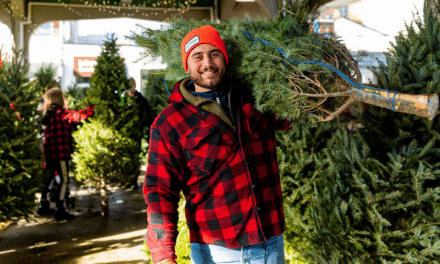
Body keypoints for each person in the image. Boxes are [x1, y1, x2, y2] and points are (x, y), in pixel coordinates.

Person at [143, 25, 292, 264]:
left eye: (214, 54)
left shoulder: (254, 100)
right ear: (187, 65)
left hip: (271, 244)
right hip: (218, 253)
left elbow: (296, 116)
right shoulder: (170, 123)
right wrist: (163, 256)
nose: (207, 63)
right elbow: (160, 192)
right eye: (198, 56)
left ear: (225, 58)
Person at [37, 87, 94, 220]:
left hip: (49, 154)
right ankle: (60, 208)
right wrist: (93, 109)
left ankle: (43, 204)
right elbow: (79, 116)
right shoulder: (63, 114)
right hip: (61, 153)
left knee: (47, 178)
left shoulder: (46, 116)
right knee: (64, 180)